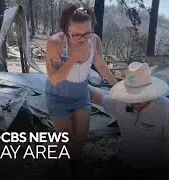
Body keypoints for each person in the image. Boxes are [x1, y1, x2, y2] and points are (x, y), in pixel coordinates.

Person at [44, 0, 118, 179]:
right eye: (76, 34)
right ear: (65, 28)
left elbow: (100, 65)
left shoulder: (94, 41)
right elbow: (54, 78)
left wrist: (118, 87)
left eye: (87, 32)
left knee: (80, 139)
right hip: (58, 96)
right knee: (64, 141)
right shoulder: (55, 43)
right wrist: (72, 58)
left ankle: (75, 163)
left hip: (81, 95)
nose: (83, 38)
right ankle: (62, 168)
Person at [89, 62, 169, 179]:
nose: (135, 102)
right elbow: (97, 98)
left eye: (140, 96)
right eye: (131, 97)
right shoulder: (119, 102)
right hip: (124, 162)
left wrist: (168, 172)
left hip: (154, 169)